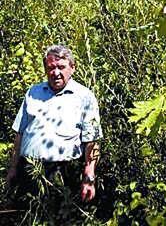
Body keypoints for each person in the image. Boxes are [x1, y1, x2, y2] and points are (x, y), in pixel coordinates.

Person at [6, 44, 102, 204]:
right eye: (51, 68)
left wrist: (89, 176)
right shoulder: (33, 93)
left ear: (72, 68)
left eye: (61, 67)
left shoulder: (85, 97)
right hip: (28, 171)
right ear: (45, 69)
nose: (56, 73)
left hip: (63, 174)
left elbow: (91, 140)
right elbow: (20, 134)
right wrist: (13, 169)